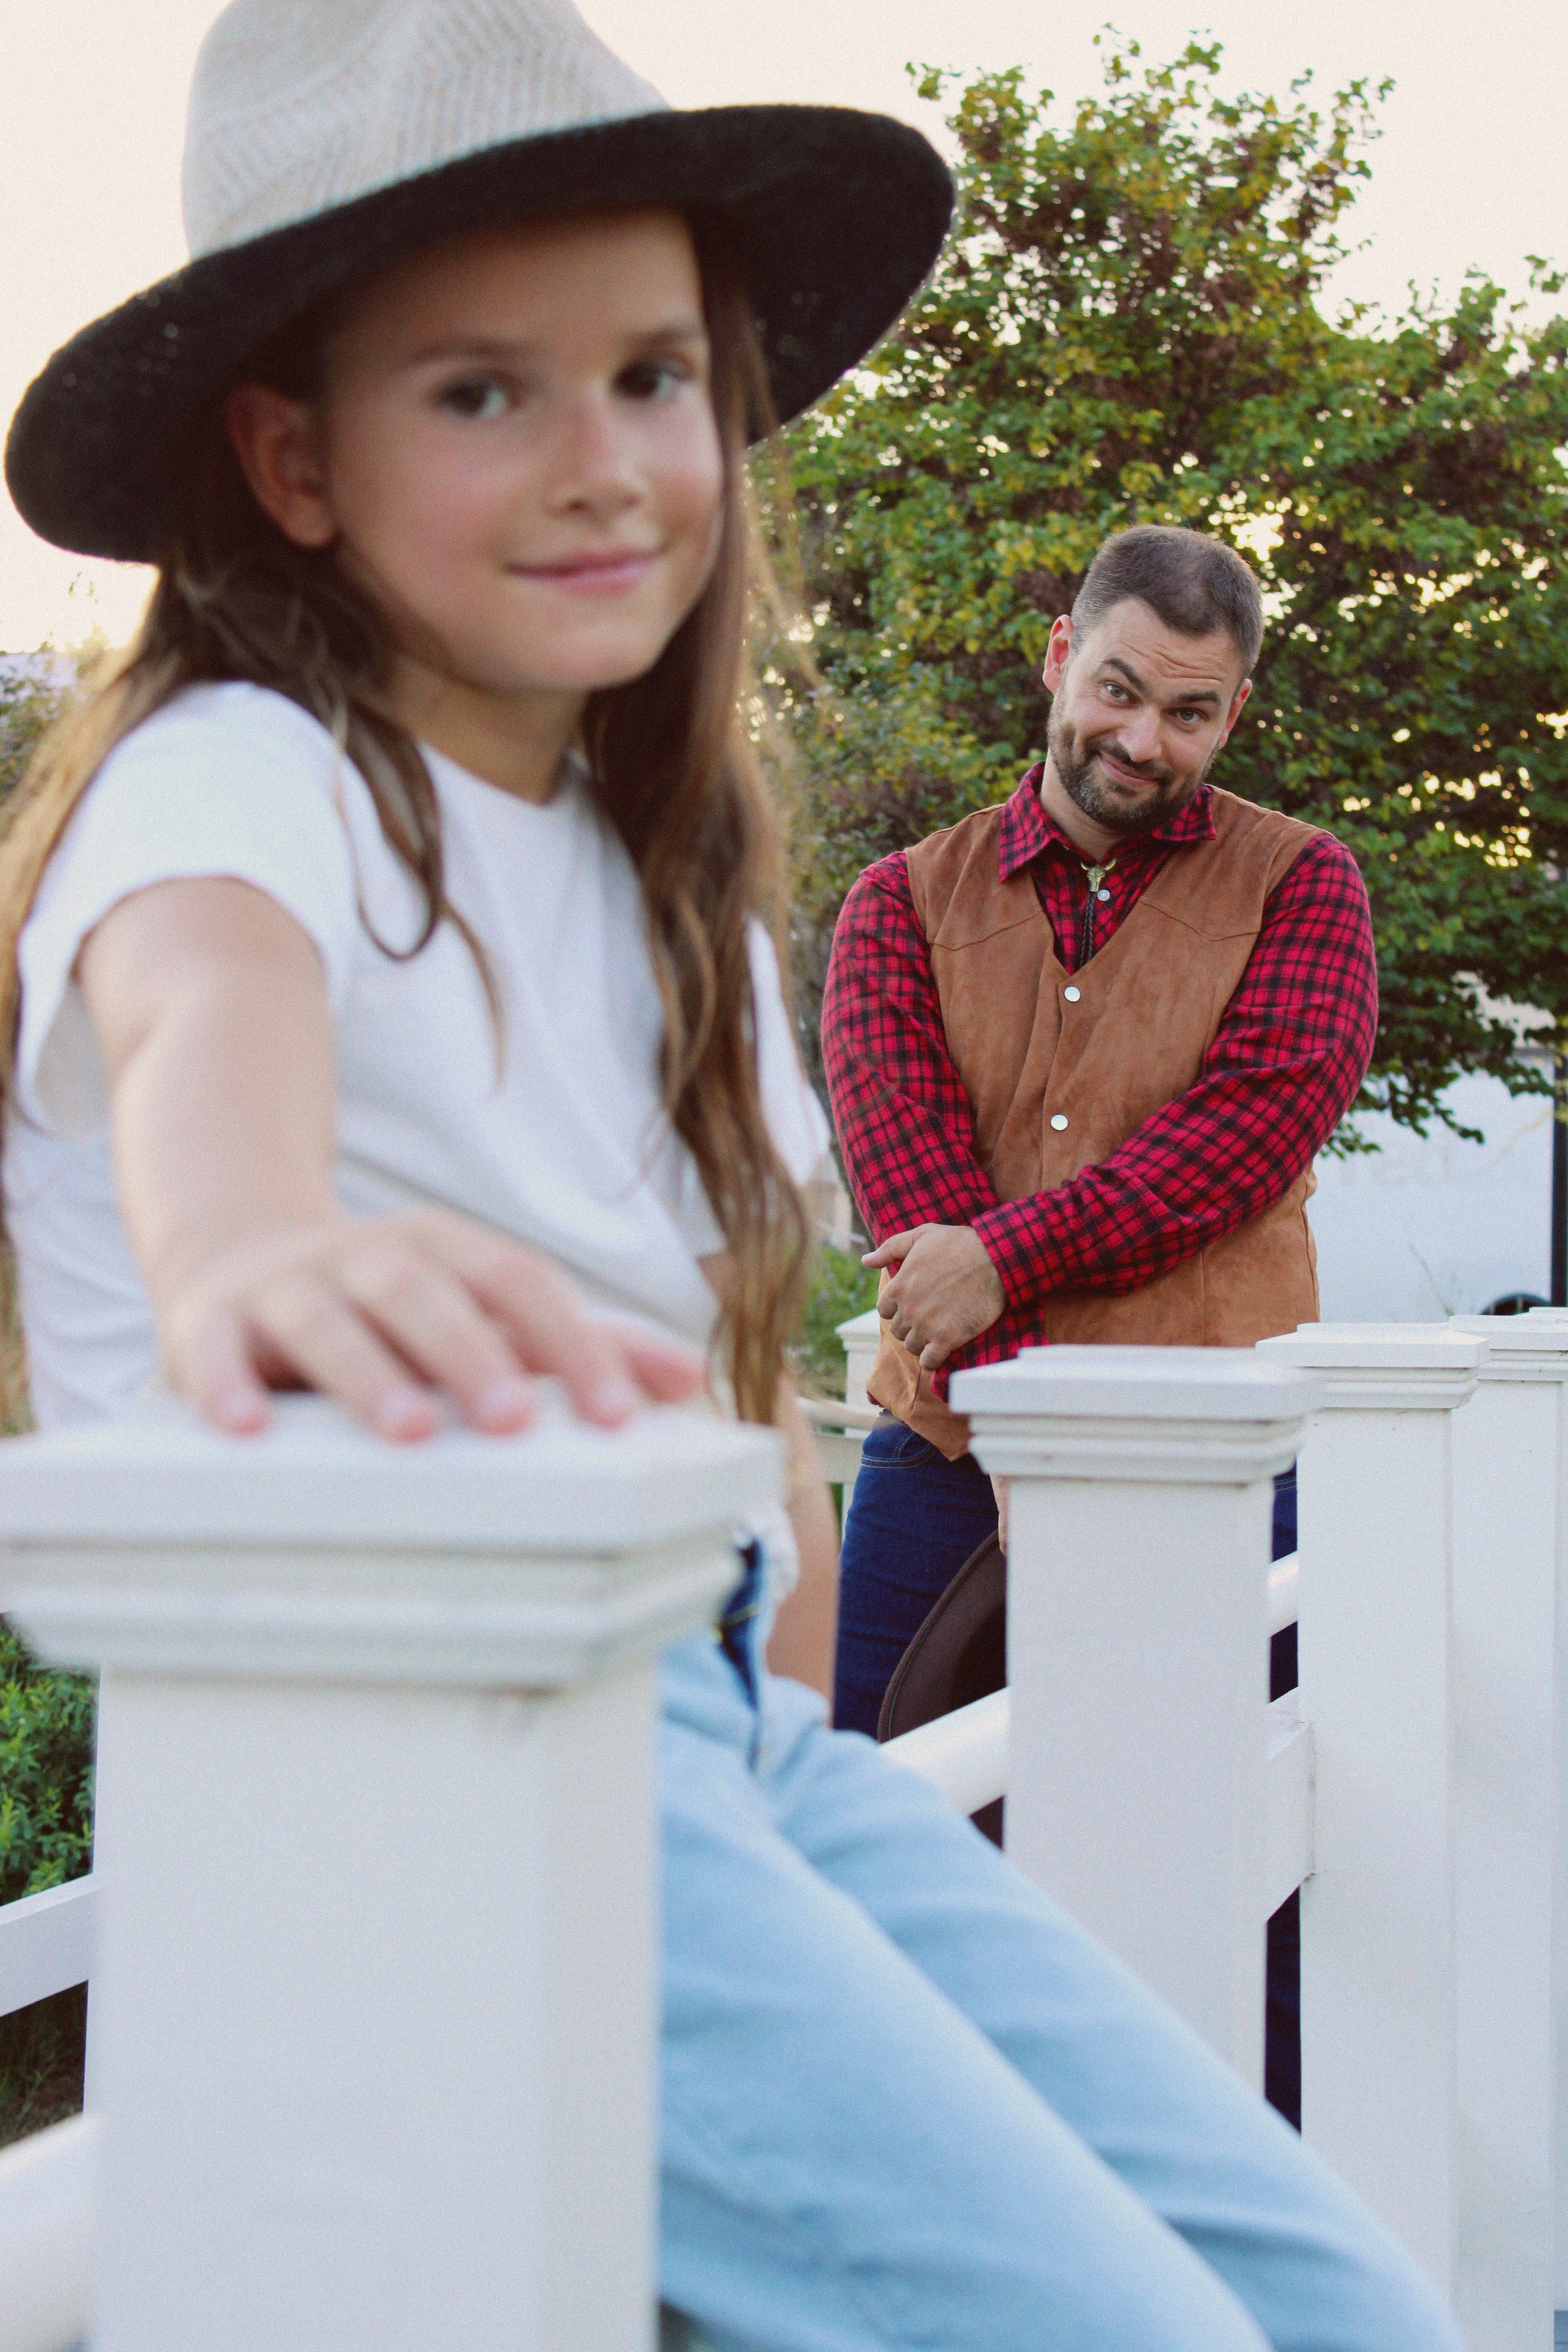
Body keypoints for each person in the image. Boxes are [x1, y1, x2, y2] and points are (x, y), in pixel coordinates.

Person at [1, 7, 1453, 2346]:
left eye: (656, 376)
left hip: (728, 1754)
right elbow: (203, 1035)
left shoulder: (636, 865)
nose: (607, 465)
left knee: (1340, 2301)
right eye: (484, 390)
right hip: (462, 1799)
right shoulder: (238, 783)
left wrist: (772, 1593)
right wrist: (257, 1253)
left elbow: (746, 1411)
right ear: (286, 454)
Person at [823, 527, 1376, 1760]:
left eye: (1186, 712)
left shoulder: (1305, 886)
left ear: (1230, 714)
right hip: (949, 1456)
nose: (1139, 740)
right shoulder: (895, 903)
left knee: (1240, 1851)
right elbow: (912, 1192)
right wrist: (1027, 1435)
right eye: (1117, 690)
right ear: (1060, 656)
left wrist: (1000, 1263)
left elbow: (1227, 1156)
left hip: (1219, 1452)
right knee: (882, 1812)